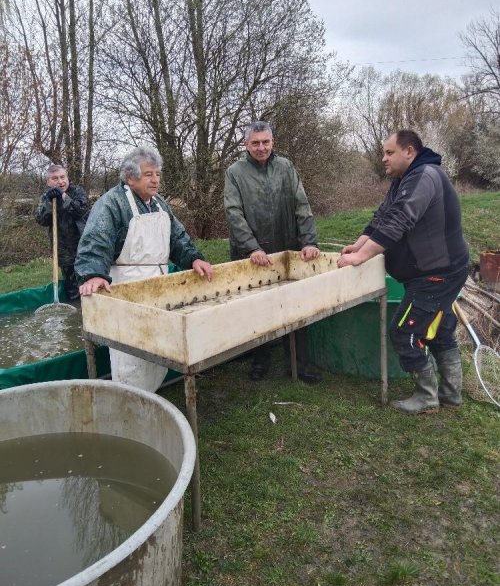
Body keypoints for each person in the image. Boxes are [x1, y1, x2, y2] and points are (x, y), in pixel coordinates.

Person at [337, 130, 469, 414]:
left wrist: (362, 256)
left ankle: (427, 398)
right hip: (433, 272)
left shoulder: (424, 177)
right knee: (441, 329)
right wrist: (356, 246)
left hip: (437, 274)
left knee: (404, 332)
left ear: (409, 151)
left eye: (389, 152)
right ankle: (451, 395)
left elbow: (399, 220)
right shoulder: (403, 180)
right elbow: (382, 216)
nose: (383, 158)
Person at [75, 145, 213, 392]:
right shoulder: (111, 204)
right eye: (149, 174)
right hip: (126, 287)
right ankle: (129, 396)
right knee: (131, 348)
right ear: (130, 177)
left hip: (159, 285)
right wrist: (94, 273)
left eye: (158, 174)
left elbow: (177, 238)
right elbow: (96, 239)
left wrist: (194, 259)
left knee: (158, 343)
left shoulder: (159, 205)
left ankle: (154, 394)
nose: (156, 180)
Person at [224, 120, 322, 383]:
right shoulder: (235, 172)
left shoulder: (286, 167)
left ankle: (300, 363)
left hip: (286, 246)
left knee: (297, 304)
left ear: (272, 142)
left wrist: (309, 241)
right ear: (246, 144)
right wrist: (251, 247)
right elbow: (234, 213)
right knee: (256, 308)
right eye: (255, 143)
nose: (261, 147)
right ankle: (260, 359)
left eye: (265, 142)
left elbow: (302, 205)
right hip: (252, 253)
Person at [35, 164, 89, 301]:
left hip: (84, 246)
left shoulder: (77, 192)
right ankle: (77, 315)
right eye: (55, 178)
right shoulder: (46, 197)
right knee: (73, 289)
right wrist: (48, 202)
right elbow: (41, 220)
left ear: (67, 178)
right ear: (48, 182)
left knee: (88, 283)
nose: (60, 181)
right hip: (63, 249)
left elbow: (80, 211)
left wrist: (63, 196)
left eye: (62, 177)